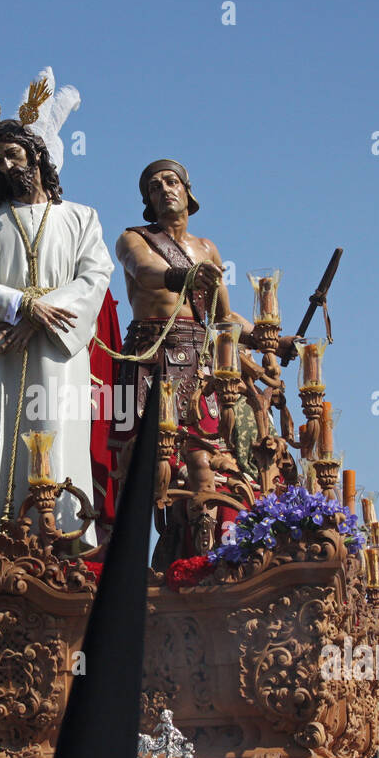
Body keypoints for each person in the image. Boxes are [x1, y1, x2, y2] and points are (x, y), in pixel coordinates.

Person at [0, 120, 113, 545]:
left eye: (13, 154)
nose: (6, 165)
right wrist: (21, 304)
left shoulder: (81, 217)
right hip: (3, 350)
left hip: (58, 354)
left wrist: (39, 315)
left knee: (57, 428)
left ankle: (58, 533)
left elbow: (95, 277)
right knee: (0, 439)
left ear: (35, 154)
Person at [110, 160, 253, 562]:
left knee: (202, 455)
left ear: (188, 191)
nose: (164, 190)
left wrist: (269, 338)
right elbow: (145, 270)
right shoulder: (132, 238)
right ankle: (125, 553)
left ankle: (199, 549)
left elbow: (224, 317)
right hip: (143, 355)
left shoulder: (207, 248)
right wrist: (183, 278)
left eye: (171, 182)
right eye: (154, 187)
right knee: (133, 456)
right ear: (148, 202)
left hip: (197, 357)